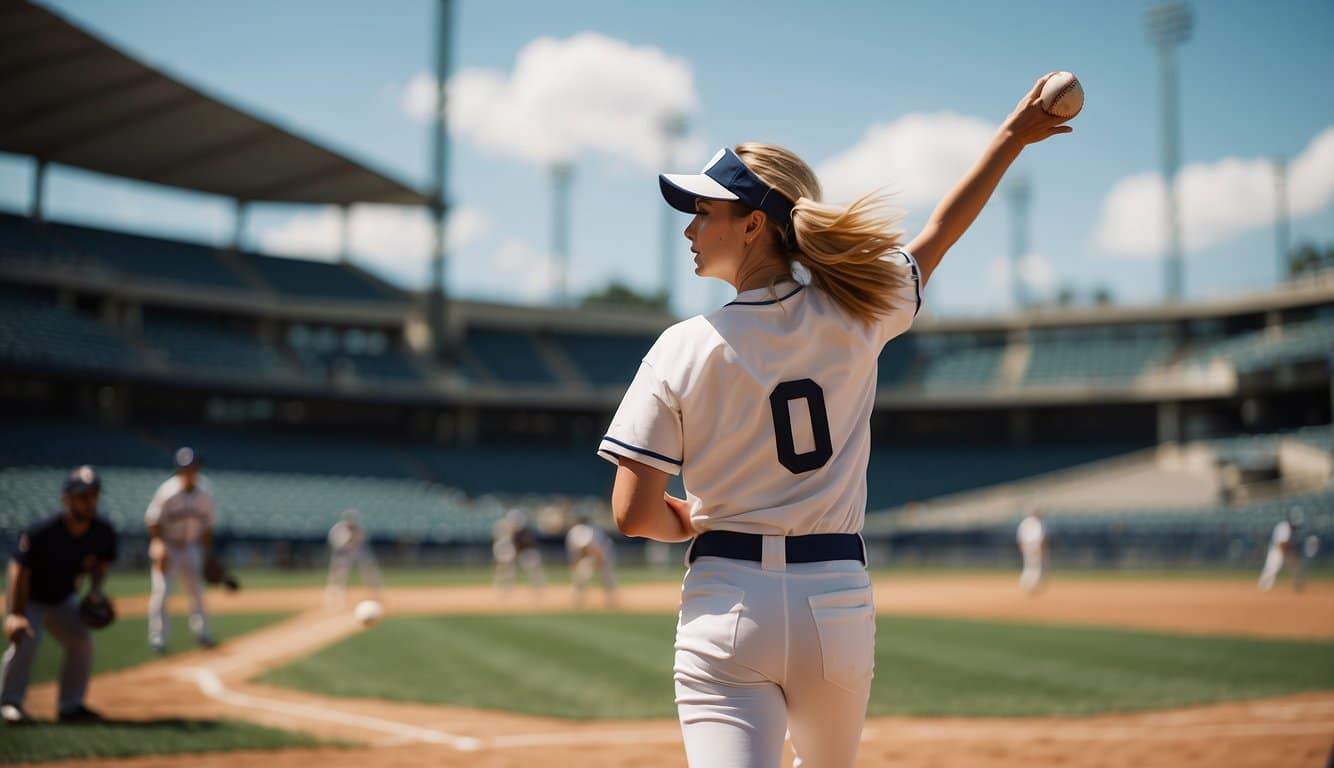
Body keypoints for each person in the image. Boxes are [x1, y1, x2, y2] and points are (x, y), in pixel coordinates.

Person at [598, 74, 1073, 767]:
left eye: (705, 211)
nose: (691, 228)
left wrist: (689, 519)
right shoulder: (858, 312)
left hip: (726, 600)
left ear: (755, 223)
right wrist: (1010, 139)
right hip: (836, 602)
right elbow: (940, 235)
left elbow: (634, 514)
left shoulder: (683, 344)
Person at [2, 466, 117, 725]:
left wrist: (96, 591)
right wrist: (16, 614)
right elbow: (18, 570)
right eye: (82, 495)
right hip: (30, 598)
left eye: (93, 494)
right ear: (66, 499)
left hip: (62, 599)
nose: (89, 501)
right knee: (26, 639)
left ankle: (71, 705)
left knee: (81, 642)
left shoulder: (103, 531)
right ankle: (10, 702)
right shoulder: (43, 531)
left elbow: (102, 565)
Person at [145, 447, 217, 653]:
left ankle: (203, 633)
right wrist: (158, 546)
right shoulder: (167, 492)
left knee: (197, 592)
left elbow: (208, 527)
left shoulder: (205, 493)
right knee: (161, 592)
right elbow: (153, 521)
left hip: (190, 547)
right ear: (178, 470)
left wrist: (209, 554)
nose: (189, 472)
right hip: (168, 546)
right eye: (185, 468)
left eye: (193, 467)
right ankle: (157, 638)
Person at [325, 508, 382, 607]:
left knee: (369, 572)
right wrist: (350, 545)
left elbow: (361, 541)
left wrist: (355, 544)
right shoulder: (339, 529)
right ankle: (335, 596)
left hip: (357, 552)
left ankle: (375, 593)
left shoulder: (357, 528)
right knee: (338, 576)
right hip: (342, 554)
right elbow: (339, 544)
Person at [565, 517, 617, 607]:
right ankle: (577, 599)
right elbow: (575, 553)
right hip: (589, 555)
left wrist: (600, 562)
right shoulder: (574, 534)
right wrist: (574, 564)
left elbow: (598, 552)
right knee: (580, 576)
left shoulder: (592, 534)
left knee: (606, 576)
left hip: (603, 552)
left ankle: (610, 598)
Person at [492, 509, 544, 597]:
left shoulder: (522, 532)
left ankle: (537, 590)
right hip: (516, 553)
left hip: (526, 553)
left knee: (532, 573)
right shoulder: (508, 533)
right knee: (504, 572)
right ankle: (503, 590)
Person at [1258, 514, 1299, 592]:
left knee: (1272, 568)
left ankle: (1266, 586)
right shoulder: (1285, 527)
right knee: (1272, 568)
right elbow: (1281, 543)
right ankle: (1263, 585)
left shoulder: (1284, 526)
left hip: (1276, 550)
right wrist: (1287, 554)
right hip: (1276, 550)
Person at [1016, 509, 1047, 594]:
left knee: (1028, 565)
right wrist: (1041, 549)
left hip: (1027, 546)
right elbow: (1040, 537)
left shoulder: (1025, 522)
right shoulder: (1037, 523)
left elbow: (1020, 536)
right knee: (1035, 566)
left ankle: (1026, 582)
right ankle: (1031, 584)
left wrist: (1022, 546)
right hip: (1035, 546)